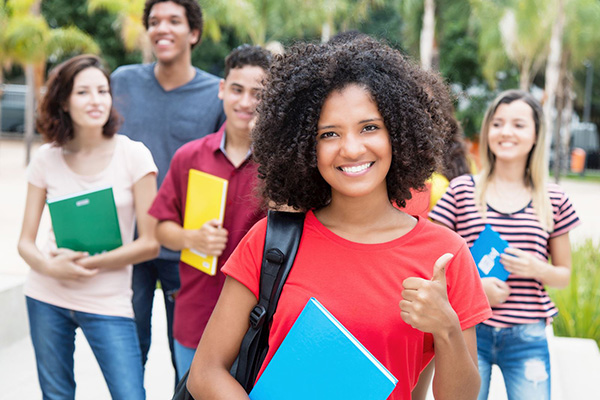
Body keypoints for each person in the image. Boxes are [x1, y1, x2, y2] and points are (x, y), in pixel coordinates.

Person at [186, 37, 492, 400]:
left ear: (398, 133)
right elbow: (205, 373)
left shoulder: (445, 255)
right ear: (303, 147)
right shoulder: (270, 241)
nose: (351, 148)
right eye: (329, 134)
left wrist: (446, 329)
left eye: (369, 128)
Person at [17, 55, 159, 400]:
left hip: (108, 302)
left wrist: (88, 263)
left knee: (130, 394)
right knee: (56, 395)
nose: (96, 100)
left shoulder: (134, 156)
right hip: (46, 295)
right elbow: (25, 242)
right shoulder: (46, 158)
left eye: (102, 90)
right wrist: (50, 266)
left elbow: (150, 244)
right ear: (64, 101)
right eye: (83, 92)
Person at [430, 89, 581, 400]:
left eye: (518, 125)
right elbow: (431, 260)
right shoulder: (461, 191)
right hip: (471, 332)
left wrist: (536, 268)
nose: (506, 132)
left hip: (528, 334)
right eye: (497, 124)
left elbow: (564, 275)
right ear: (487, 132)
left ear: (537, 134)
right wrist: (475, 289)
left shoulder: (554, 199)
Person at [110, 0, 226, 375]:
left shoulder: (217, 94)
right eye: (155, 21)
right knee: (130, 348)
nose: (162, 28)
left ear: (193, 33)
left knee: (188, 357)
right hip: (130, 239)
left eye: (174, 21)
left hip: (187, 245)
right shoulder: (123, 81)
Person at [147, 44, 271, 380]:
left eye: (257, 93)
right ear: (222, 89)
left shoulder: (279, 169)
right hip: (196, 315)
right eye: (237, 90)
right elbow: (160, 227)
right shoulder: (189, 157)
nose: (245, 102)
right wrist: (192, 238)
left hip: (258, 326)